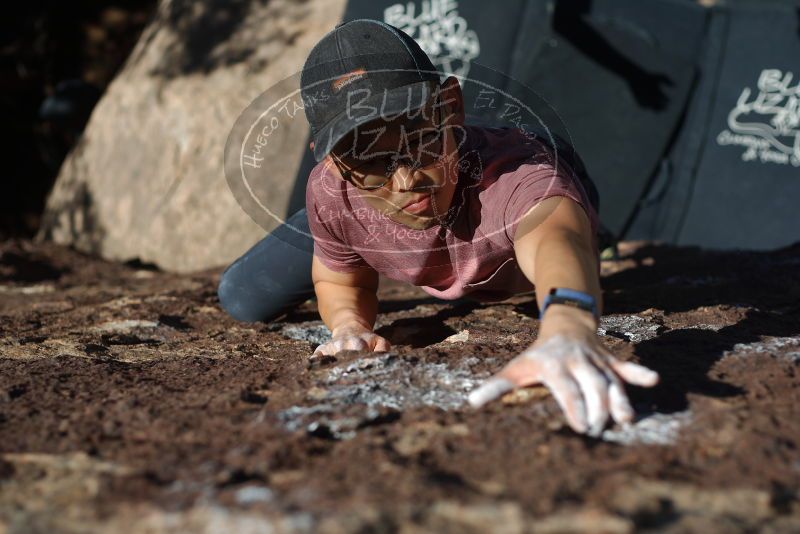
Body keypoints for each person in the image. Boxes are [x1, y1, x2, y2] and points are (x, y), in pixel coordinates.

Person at [218, 19, 659, 437]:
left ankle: (593, 228)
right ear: (333, 163)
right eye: (370, 160)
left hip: (531, 165)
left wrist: (568, 326)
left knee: (574, 230)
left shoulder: (514, 179)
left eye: (420, 141)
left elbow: (553, 238)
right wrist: (349, 326)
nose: (408, 180)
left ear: (451, 108)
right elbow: (341, 282)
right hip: (349, 204)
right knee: (242, 295)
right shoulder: (334, 187)